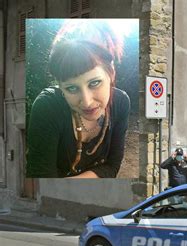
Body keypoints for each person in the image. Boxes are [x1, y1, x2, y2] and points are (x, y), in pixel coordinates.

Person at [26, 20, 130, 178]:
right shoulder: (47, 107)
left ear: (111, 74)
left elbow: (112, 166)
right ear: (60, 87)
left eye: (94, 83)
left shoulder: (121, 103)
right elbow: (41, 179)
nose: (87, 102)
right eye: (71, 88)